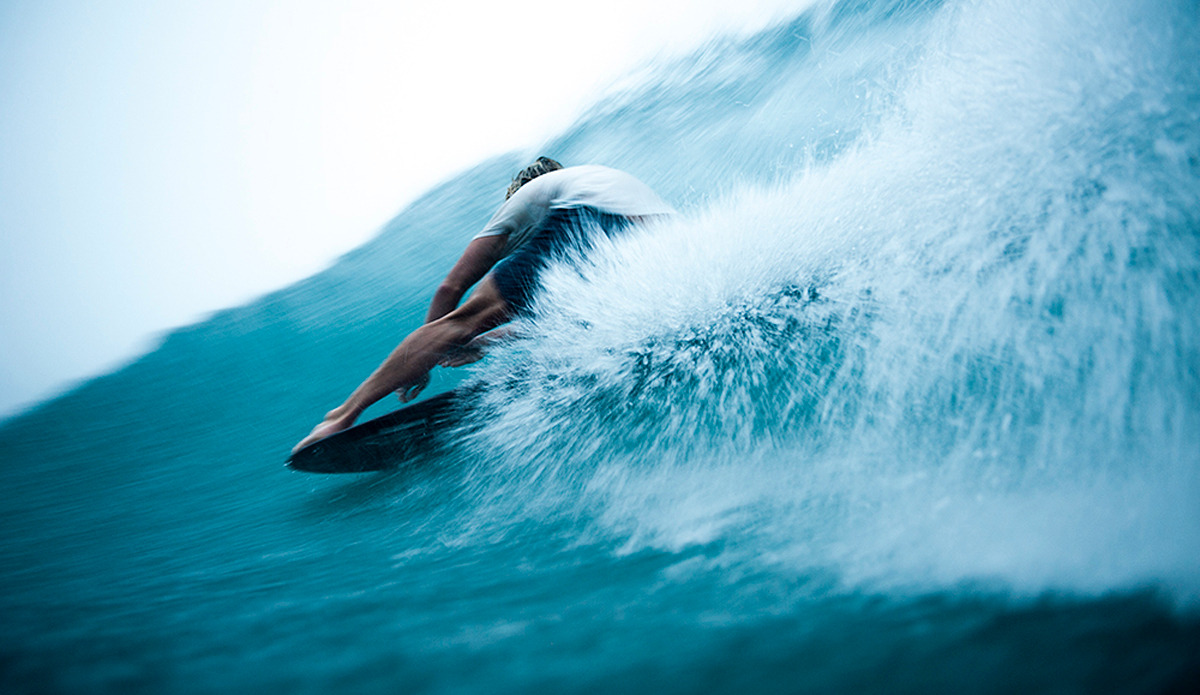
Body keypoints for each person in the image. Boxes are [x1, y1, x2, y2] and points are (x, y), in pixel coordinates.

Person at [293, 158, 675, 452]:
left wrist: (423, 363)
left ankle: (341, 416)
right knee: (576, 320)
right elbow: (547, 317)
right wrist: (484, 344)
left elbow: (450, 287)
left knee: (467, 317)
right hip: (662, 245)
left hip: (592, 220)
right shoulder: (601, 180)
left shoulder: (532, 194)